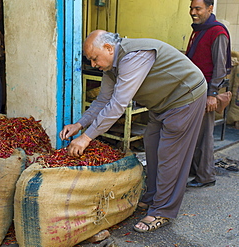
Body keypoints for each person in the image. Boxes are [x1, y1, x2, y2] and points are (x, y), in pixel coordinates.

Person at [59, 30, 207, 232]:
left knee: (169, 154)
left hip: (185, 97)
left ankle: (162, 210)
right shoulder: (111, 66)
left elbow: (117, 105)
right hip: (161, 103)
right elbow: (103, 100)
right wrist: (79, 124)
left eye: (94, 58)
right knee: (152, 144)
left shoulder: (133, 56)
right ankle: (152, 196)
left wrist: (86, 138)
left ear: (109, 48)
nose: (93, 64)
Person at [186, 0, 231, 188]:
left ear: (210, 9)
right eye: (191, 8)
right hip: (194, 90)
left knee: (204, 135)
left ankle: (205, 176)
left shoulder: (217, 31)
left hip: (206, 92)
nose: (193, 12)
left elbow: (220, 66)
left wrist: (212, 94)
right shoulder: (200, 29)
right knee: (194, 134)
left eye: (198, 8)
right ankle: (195, 170)